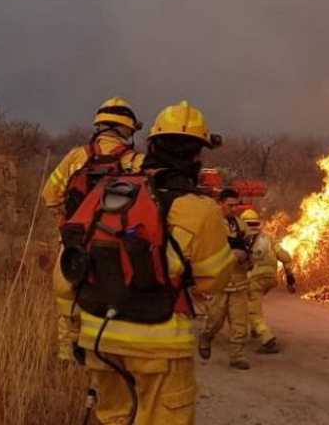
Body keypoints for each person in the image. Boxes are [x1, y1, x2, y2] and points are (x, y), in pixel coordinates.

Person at [51, 100, 235, 424]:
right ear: (197, 155)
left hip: (100, 339)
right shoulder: (200, 209)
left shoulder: (107, 193)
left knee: (113, 419)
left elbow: (67, 270)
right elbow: (212, 281)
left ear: (151, 144)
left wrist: (72, 333)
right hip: (161, 345)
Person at [42, 96, 145, 214]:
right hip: (121, 230)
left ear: (98, 126)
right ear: (129, 130)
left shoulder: (76, 156)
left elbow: (49, 196)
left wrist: (70, 219)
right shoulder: (138, 161)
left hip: (77, 230)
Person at [197, 188, 253, 370]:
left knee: (240, 323)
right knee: (215, 319)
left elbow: (250, 245)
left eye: (236, 205)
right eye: (230, 205)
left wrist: (247, 256)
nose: (234, 209)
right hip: (219, 282)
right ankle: (206, 336)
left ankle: (237, 356)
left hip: (239, 281)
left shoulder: (239, 224)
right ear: (220, 203)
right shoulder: (211, 224)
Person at [240, 209, 297, 354]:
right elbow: (285, 257)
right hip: (270, 279)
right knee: (254, 301)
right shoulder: (268, 238)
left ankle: (267, 339)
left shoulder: (242, 240)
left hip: (254, 279)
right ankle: (254, 330)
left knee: (253, 311)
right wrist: (290, 278)